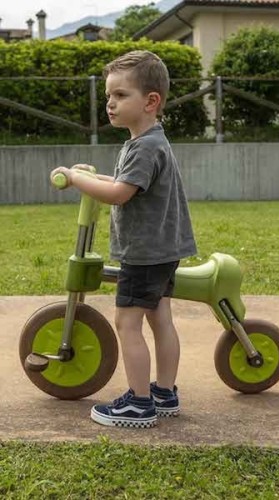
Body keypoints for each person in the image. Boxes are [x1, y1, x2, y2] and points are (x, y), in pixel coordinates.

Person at [51, 50, 197, 428]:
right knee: (160, 318)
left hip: (144, 253)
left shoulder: (144, 146)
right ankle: (164, 392)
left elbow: (118, 194)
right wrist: (89, 175)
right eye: (109, 96)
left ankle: (139, 403)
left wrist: (73, 178)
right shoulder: (149, 141)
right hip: (163, 250)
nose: (110, 104)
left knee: (127, 324)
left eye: (120, 95)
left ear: (151, 101)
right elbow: (121, 185)